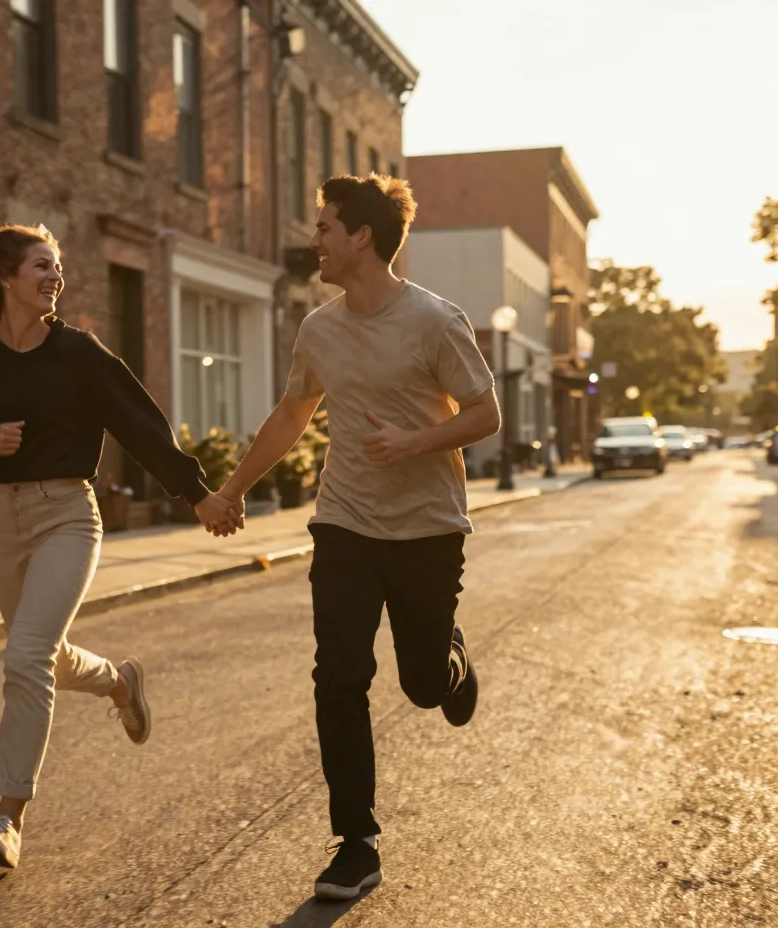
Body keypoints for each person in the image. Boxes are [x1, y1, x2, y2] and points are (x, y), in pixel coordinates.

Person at [212, 175, 501, 900]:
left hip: (427, 529)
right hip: (343, 523)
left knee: (421, 685)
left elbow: (485, 413)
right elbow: (291, 414)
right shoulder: (319, 329)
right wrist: (233, 488)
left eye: (324, 228)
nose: (314, 240)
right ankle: (356, 842)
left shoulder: (434, 320)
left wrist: (414, 441)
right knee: (338, 675)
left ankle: (449, 663)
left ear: (361, 237)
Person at [0, 219, 240, 870]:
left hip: (66, 513)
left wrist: (197, 493)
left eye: (57, 266)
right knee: (39, 654)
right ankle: (120, 683)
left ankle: (7, 818)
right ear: (6, 277)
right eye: (41, 265)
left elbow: (140, 424)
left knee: (25, 657)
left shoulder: (79, 353)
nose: (54, 276)